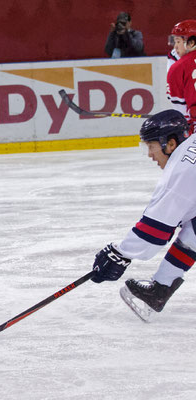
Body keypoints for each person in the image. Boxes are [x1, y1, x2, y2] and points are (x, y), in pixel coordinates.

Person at [89, 110, 196, 322]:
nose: (150, 155)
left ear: (170, 144)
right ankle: (161, 287)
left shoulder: (181, 172)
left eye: (151, 146)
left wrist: (119, 254)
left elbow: (157, 229)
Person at [167, 20, 196, 126]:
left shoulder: (177, 67)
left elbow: (180, 108)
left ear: (191, 43)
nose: (175, 47)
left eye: (178, 42)